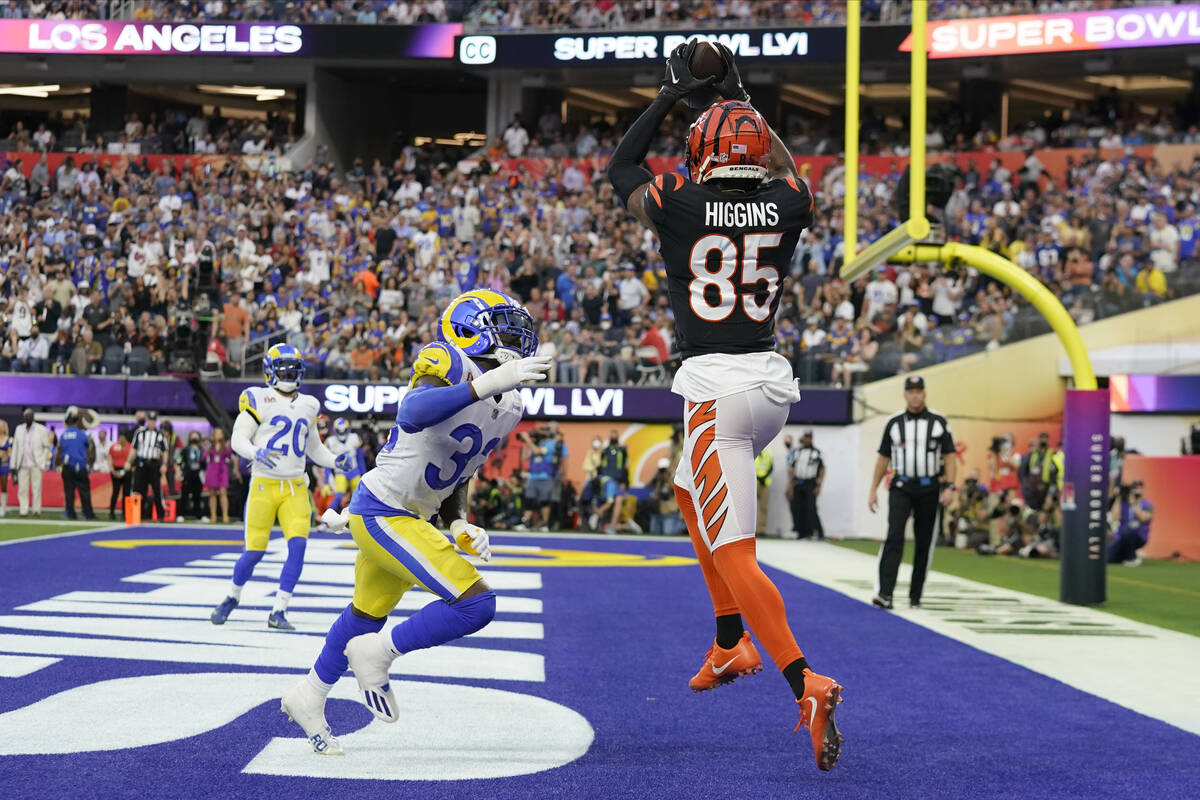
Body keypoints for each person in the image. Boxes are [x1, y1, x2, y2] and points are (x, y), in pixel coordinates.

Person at [608, 41, 843, 771]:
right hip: (768, 385)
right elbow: (786, 168)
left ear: (703, 151)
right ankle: (728, 640)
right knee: (685, 488)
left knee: (737, 552)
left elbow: (621, 167)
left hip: (716, 390)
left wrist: (673, 95)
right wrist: (740, 97)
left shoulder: (679, 200)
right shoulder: (790, 199)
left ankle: (804, 681)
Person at [280, 289, 550, 756]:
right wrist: (487, 382)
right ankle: (378, 654)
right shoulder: (447, 358)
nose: (515, 336)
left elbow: (458, 472)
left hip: (409, 513)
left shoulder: (511, 405)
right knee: (476, 604)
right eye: (503, 324)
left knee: (363, 616)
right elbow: (412, 413)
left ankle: (308, 695)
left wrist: (460, 522)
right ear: (468, 329)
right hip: (384, 510)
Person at [210, 344, 349, 631]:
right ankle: (232, 596)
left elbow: (315, 449)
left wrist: (336, 461)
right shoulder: (258, 398)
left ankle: (279, 610)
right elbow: (238, 437)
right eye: (284, 367)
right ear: (270, 371)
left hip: (296, 487)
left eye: (293, 368)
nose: (289, 372)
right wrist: (253, 452)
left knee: (298, 547)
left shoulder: (309, 404)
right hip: (263, 485)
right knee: (254, 553)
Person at [868, 376, 957, 610]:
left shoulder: (938, 422)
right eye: (911, 391)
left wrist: (950, 486)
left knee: (924, 541)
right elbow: (883, 457)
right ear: (905, 395)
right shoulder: (894, 422)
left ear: (924, 394)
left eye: (919, 391)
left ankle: (915, 595)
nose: (915, 395)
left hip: (929, 487)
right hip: (901, 486)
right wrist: (873, 490)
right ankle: (885, 593)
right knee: (894, 536)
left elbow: (949, 455)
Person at [130, 411, 169, 522]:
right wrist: (129, 462)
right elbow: (134, 449)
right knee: (139, 490)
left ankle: (160, 516)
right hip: (141, 464)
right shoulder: (139, 433)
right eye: (150, 420)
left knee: (157, 491)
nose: (151, 422)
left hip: (154, 464)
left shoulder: (160, 435)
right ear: (147, 421)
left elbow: (165, 451)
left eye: (153, 420)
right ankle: (139, 515)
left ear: (155, 421)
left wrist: (164, 465)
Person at [12, 408, 51, 517]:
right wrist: (13, 464)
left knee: (36, 488)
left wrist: (43, 459)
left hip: (36, 464)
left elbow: (47, 447)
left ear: (33, 417)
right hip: (22, 464)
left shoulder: (41, 429)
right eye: (26, 415)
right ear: (24, 417)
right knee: (22, 489)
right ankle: (23, 510)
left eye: (30, 415)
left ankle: (36, 510)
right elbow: (15, 447)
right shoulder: (19, 429)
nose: (28, 417)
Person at [58, 408, 96, 520]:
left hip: (68, 466)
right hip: (80, 466)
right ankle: (87, 513)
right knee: (84, 491)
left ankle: (70, 512)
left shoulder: (63, 435)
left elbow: (60, 450)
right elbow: (89, 448)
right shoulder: (82, 434)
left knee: (69, 491)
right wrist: (88, 461)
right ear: (76, 421)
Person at [787, 431, 825, 540]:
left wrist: (819, 484)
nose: (807, 440)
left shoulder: (816, 452)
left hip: (810, 483)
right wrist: (791, 484)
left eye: (809, 438)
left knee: (811, 508)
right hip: (798, 483)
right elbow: (793, 468)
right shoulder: (797, 452)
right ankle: (801, 533)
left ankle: (818, 532)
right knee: (798, 508)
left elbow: (822, 469)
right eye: (806, 437)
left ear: (812, 439)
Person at [1108, 480, 1153, 566]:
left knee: (1130, 530)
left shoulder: (1146, 504)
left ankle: (1132, 558)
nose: (1137, 490)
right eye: (1135, 488)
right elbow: (1114, 517)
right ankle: (1124, 556)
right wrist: (1119, 497)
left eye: (1139, 487)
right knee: (1109, 558)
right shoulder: (1123, 503)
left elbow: (1144, 518)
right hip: (1121, 536)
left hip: (1138, 535)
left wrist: (1133, 503)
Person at [324, 417, 364, 512]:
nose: (342, 433)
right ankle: (327, 520)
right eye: (339, 431)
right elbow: (327, 464)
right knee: (339, 496)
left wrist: (363, 475)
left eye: (344, 430)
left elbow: (360, 458)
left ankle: (359, 520)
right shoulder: (330, 441)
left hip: (355, 471)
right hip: (340, 472)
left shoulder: (354, 438)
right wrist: (326, 482)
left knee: (359, 496)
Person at [205, 429, 233, 524]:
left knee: (223, 492)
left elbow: (229, 457)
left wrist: (227, 447)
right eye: (216, 433)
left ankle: (225, 515)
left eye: (220, 433)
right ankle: (213, 514)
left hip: (222, 471)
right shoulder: (210, 445)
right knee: (212, 494)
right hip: (212, 470)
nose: (218, 435)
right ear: (213, 435)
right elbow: (204, 457)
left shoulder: (226, 445)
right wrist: (207, 449)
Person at [180, 431, 205, 520]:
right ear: (190, 438)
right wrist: (179, 472)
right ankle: (181, 514)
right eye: (193, 436)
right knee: (184, 495)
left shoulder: (202, 450)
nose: (194, 438)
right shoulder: (185, 449)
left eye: (196, 436)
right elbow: (179, 460)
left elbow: (204, 463)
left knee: (197, 496)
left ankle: (199, 515)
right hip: (187, 474)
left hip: (198, 475)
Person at [108, 431, 132, 520]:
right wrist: (112, 470)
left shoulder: (130, 447)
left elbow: (132, 460)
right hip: (116, 469)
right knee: (115, 492)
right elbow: (110, 458)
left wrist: (124, 471)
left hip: (126, 470)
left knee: (126, 494)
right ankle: (111, 512)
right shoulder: (114, 446)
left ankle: (125, 513)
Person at [754, 447, 773, 535]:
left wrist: (764, 477)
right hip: (753, 484)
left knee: (763, 508)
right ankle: (750, 530)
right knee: (751, 509)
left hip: (764, 484)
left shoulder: (768, 454)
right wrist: (757, 477)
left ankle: (761, 530)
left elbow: (771, 468)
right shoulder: (752, 453)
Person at [0, 420, 10, 517]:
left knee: (3, 486)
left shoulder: (8, 439)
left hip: (4, 464)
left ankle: (3, 507)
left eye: (1, 426)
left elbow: (10, 452)